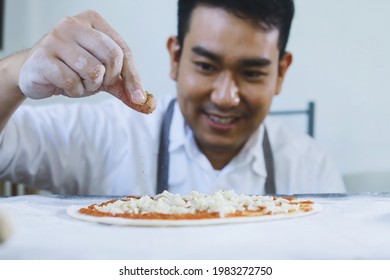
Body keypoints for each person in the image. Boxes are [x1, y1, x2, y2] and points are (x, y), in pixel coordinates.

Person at [0, 0, 345, 196]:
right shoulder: (108, 135)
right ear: (176, 58)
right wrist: (14, 75)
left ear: (281, 73)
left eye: (252, 72)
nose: (225, 97)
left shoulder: (311, 169)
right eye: (207, 66)